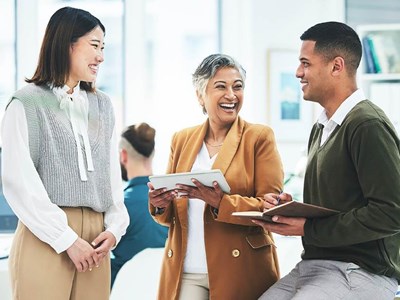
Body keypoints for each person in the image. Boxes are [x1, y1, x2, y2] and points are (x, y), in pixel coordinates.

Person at [255, 21, 400, 299]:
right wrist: (292, 209)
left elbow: (391, 212)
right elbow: (334, 204)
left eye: (305, 64)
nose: (298, 73)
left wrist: (309, 229)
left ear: (336, 66)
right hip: (315, 265)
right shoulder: (322, 127)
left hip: (360, 271)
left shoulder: (367, 124)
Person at [1, 6, 129, 300]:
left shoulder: (103, 105)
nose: (101, 56)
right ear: (66, 43)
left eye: (103, 47)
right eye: (94, 46)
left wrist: (115, 229)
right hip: (45, 237)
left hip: (96, 240)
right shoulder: (26, 104)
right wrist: (66, 238)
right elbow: (19, 184)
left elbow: (111, 177)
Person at [148, 53, 284, 300]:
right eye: (221, 86)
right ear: (201, 95)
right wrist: (160, 205)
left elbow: (270, 208)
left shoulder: (259, 137)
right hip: (187, 269)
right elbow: (171, 217)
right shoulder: (182, 139)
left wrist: (220, 202)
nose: (231, 95)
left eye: (238, 87)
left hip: (241, 268)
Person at [110, 122, 168, 289]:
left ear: (123, 155)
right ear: (153, 154)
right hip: (164, 289)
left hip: (124, 291)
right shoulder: (172, 201)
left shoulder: (119, 206)